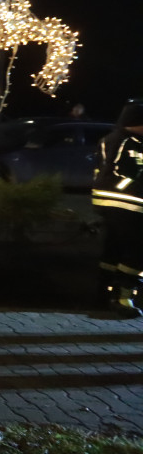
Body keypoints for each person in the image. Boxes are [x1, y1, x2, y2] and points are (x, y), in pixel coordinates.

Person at [92, 99, 143, 318]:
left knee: (112, 250)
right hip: (128, 202)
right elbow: (129, 172)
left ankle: (102, 296)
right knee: (138, 251)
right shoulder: (131, 142)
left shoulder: (109, 139)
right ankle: (123, 298)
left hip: (106, 201)